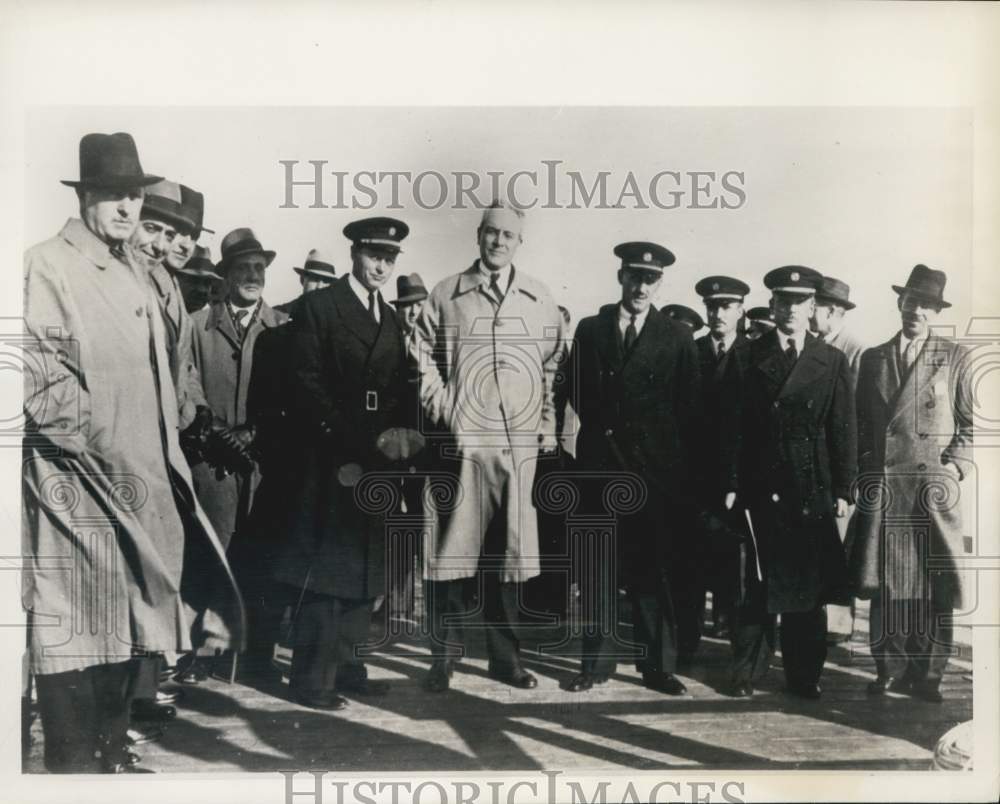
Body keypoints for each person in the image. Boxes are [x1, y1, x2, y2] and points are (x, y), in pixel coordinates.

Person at [22, 132, 242, 773]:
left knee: (127, 622)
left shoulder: (134, 272)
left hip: (141, 476)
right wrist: (93, 438)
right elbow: (35, 373)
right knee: (76, 630)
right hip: (80, 480)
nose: (124, 207)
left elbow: (167, 375)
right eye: (112, 194)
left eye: (132, 196)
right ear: (85, 195)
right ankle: (74, 766)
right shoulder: (49, 263)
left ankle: (112, 751)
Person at [412, 201, 564, 693]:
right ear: (478, 235)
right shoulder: (446, 294)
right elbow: (420, 359)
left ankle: (505, 660)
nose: (498, 242)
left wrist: (544, 425)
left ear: (520, 242)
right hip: (462, 451)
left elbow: (551, 369)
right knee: (448, 559)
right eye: (491, 233)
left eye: (508, 236)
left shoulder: (539, 299)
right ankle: (442, 659)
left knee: (508, 562)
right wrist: (446, 411)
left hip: (515, 451)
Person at [276, 216, 414, 710]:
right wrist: (350, 435)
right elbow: (305, 382)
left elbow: (399, 390)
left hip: (376, 460)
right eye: (374, 254)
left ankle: (349, 665)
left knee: (365, 568)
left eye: (390, 258)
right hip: (330, 457)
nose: (381, 265)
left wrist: (396, 443)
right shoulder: (321, 307)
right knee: (327, 569)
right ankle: (312, 679)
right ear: (354, 253)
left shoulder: (392, 320)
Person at [563, 242, 700, 695]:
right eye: (634, 276)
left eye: (651, 279)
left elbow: (688, 410)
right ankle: (595, 663)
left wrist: (669, 473)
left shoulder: (676, 337)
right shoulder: (590, 329)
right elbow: (577, 394)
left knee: (650, 572)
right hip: (599, 469)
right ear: (620, 276)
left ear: (660, 283)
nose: (641, 286)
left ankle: (657, 666)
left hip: (652, 476)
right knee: (598, 568)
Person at [732, 265, 855, 699]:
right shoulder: (747, 353)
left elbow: (842, 427)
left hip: (810, 488)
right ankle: (747, 672)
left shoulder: (831, 360)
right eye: (783, 302)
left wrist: (843, 488)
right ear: (772, 305)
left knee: (808, 588)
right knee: (758, 585)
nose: (791, 310)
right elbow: (730, 425)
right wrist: (731, 481)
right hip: (760, 485)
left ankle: (804, 676)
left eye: (800, 303)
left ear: (812, 308)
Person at [850, 265, 972, 703]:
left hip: (930, 492)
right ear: (898, 303)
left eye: (925, 304)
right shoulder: (873, 358)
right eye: (909, 301)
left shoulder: (954, 357)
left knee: (934, 584)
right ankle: (888, 668)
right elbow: (861, 425)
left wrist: (954, 466)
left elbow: (969, 425)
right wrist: (864, 472)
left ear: (936, 310)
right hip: (886, 488)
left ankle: (929, 675)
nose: (915, 310)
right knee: (886, 581)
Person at [189, 228, 288, 678]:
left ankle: (257, 657)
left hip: (265, 467)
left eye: (259, 268)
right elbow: (184, 380)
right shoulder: (196, 325)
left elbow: (293, 394)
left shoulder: (284, 327)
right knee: (210, 553)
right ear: (225, 274)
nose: (252, 276)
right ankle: (204, 652)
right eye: (243, 267)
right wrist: (208, 423)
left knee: (263, 560)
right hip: (212, 466)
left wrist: (256, 430)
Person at [674, 276, 751, 661]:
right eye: (712, 306)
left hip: (741, 483)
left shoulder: (756, 354)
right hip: (695, 481)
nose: (718, 314)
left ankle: (739, 657)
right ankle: (686, 650)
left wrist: (738, 479)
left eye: (727, 306)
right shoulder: (691, 350)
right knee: (689, 568)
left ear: (740, 311)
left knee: (736, 575)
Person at [810, 275, 867, 644]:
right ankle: (818, 622)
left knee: (840, 547)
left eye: (813, 307)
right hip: (817, 467)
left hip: (842, 467)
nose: (808, 313)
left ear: (831, 311)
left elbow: (856, 417)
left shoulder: (853, 350)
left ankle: (839, 626)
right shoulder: (814, 345)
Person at [274, 248, 338, 318]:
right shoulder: (278, 315)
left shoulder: (338, 320)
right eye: (314, 278)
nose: (319, 286)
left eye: (326, 280)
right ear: (302, 280)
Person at [175, 245, 224, 315]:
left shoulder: (208, 320)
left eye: (207, 283)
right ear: (175, 279)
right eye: (194, 281)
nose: (202, 290)